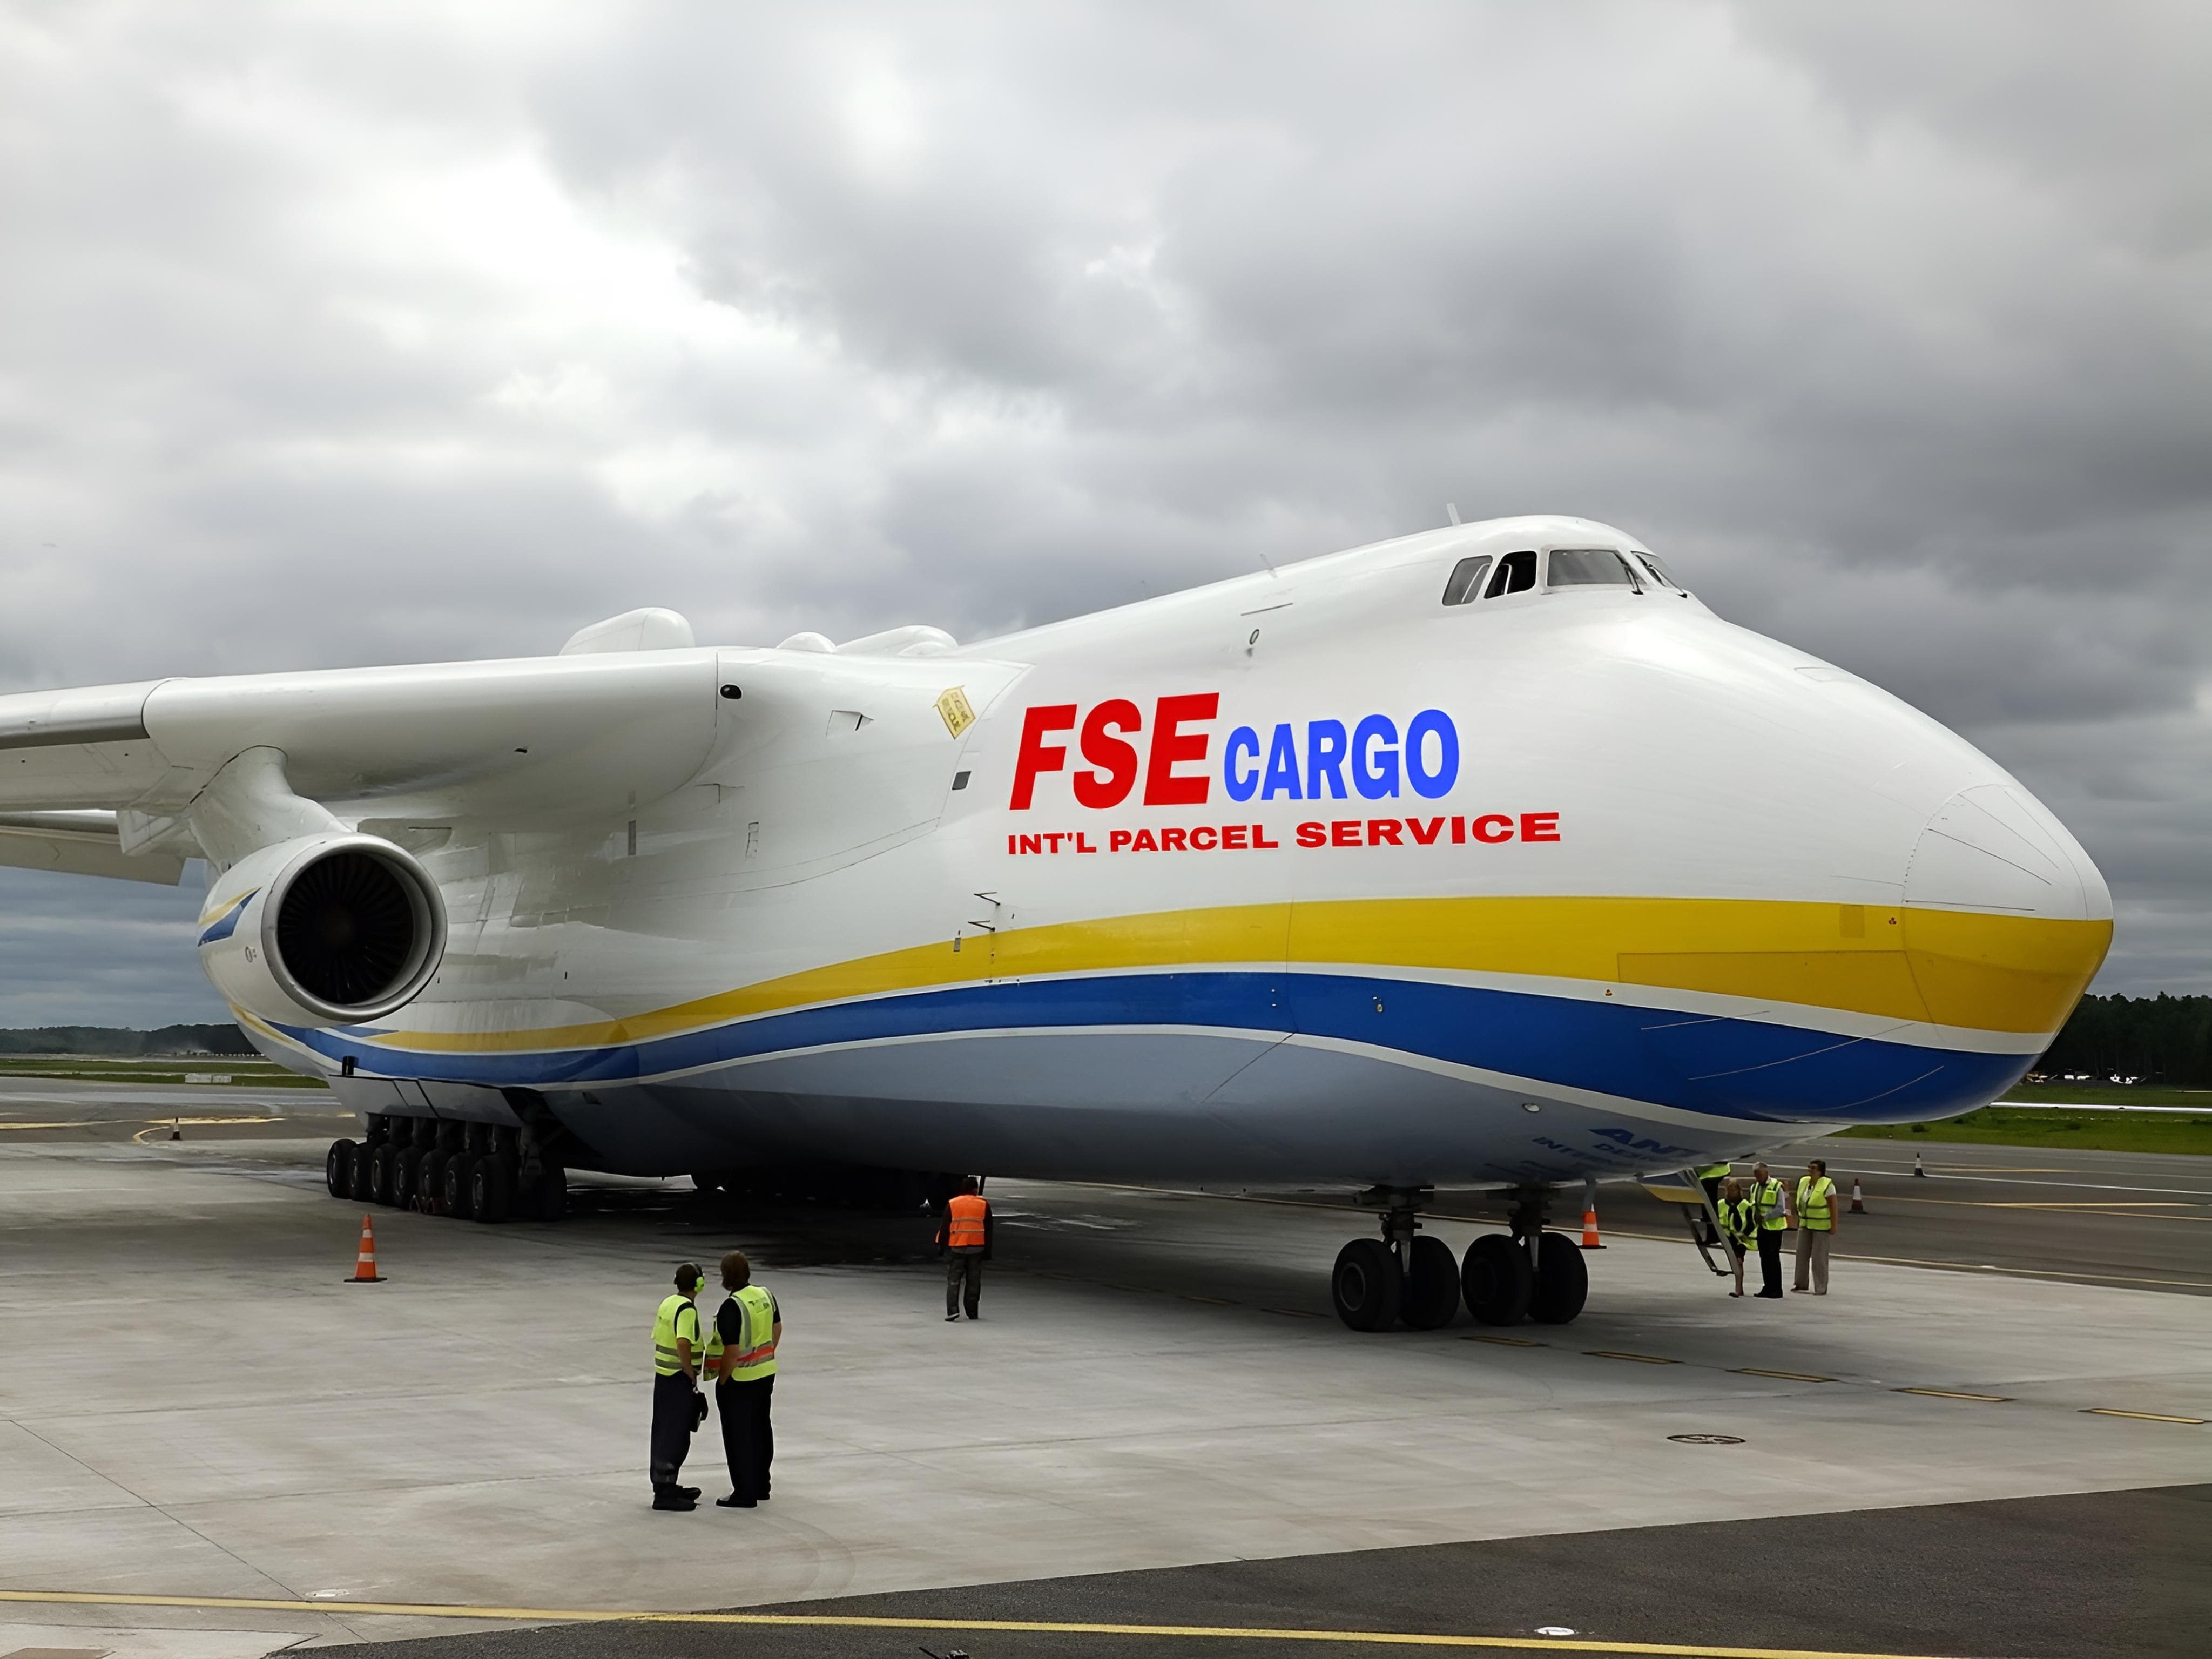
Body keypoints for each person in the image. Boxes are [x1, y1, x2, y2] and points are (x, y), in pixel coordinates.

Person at [705, 1250, 780, 1509]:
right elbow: (777, 1328)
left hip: (740, 1380)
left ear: (726, 1277)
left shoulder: (732, 1307)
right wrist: (766, 1354)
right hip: (766, 1374)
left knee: (739, 1436)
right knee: (761, 1428)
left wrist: (723, 1380)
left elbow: (732, 1351)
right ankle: (761, 1485)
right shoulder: (765, 1295)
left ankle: (744, 1493)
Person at [649, 1263, 707, 1512]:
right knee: (676, 1435)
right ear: (699, 1285)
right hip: (677, 1378)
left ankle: (666, 1485)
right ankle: (664, 1495)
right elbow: (683, 1342)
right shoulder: (686, 1310)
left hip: (664, 1378)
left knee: (664, 1431)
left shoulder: (669, 1302)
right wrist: (689, 1373)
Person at [936, 1176, 992, 1320]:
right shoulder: (984, 1205)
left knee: (954, 1281)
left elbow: (945, 1228)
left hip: (957, 1248)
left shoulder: (953, 1204)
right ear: (975, 1189)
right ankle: (972, 1312)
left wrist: (942, 1246)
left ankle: (952, 1311)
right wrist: (988, 1252)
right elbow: (988, 1231)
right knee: (974, 1282)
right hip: (977, 1249)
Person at [1792, 1158, 1840, 1294]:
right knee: (1801, 1254)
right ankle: (1800, 1283)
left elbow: (1833, 1206)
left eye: (1813, 1168)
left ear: (1820, 1172)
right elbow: (1799, 1201)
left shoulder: (1827, 1185)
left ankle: (1821, 1287)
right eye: (1809, 1168)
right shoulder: (1804, 1182)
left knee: (1819, 1258)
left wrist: (1834, 1226)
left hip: (1821, 1226)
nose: (1810, 1170)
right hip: (1805, 1224)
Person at [1749, 1162, 1788, 1299]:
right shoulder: (1754, 1187)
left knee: (1773, 1258)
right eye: (1756, 1175)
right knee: (1764, 1258)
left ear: (1767, 1173)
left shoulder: (1777, 1187)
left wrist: (1765, 1217)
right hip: (1762, 1228)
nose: (1758, 1178)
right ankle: (1768, 1287)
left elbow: (1780, 1208)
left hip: (1775, 1228)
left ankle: (1776, 1289)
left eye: (1760, 1175)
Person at [1718, 1177, 1757, 1297]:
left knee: (1738, 1261)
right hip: (1727, 1238)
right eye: (1730, 1190)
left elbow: (1751, 1223)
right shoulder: (1721, 1204)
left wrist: (1744, 1235)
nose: (1732, 1192)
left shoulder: (1746, 1205)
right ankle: (1739, 1288)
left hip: (1741, 1239)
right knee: (1736, 1262)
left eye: (1734, 1190)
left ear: (1739, 1191)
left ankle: (1738, 1288)